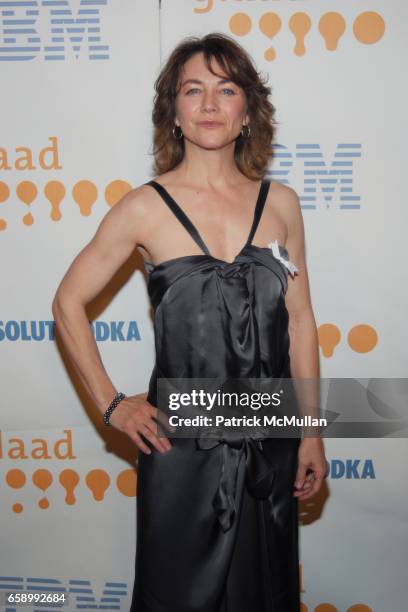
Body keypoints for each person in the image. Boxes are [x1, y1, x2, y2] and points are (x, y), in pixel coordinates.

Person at [52, 32, 327, 612]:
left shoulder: (281, 204)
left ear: (247, 110)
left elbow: (300, 324)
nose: (208, 104)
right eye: (192, 90)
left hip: (268, 438)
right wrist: (110, 403)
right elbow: (67, 303)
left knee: (265, 593)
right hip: (180, 447)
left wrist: (311, 430)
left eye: (226, 90)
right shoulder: (143, 207)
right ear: (172, 111)